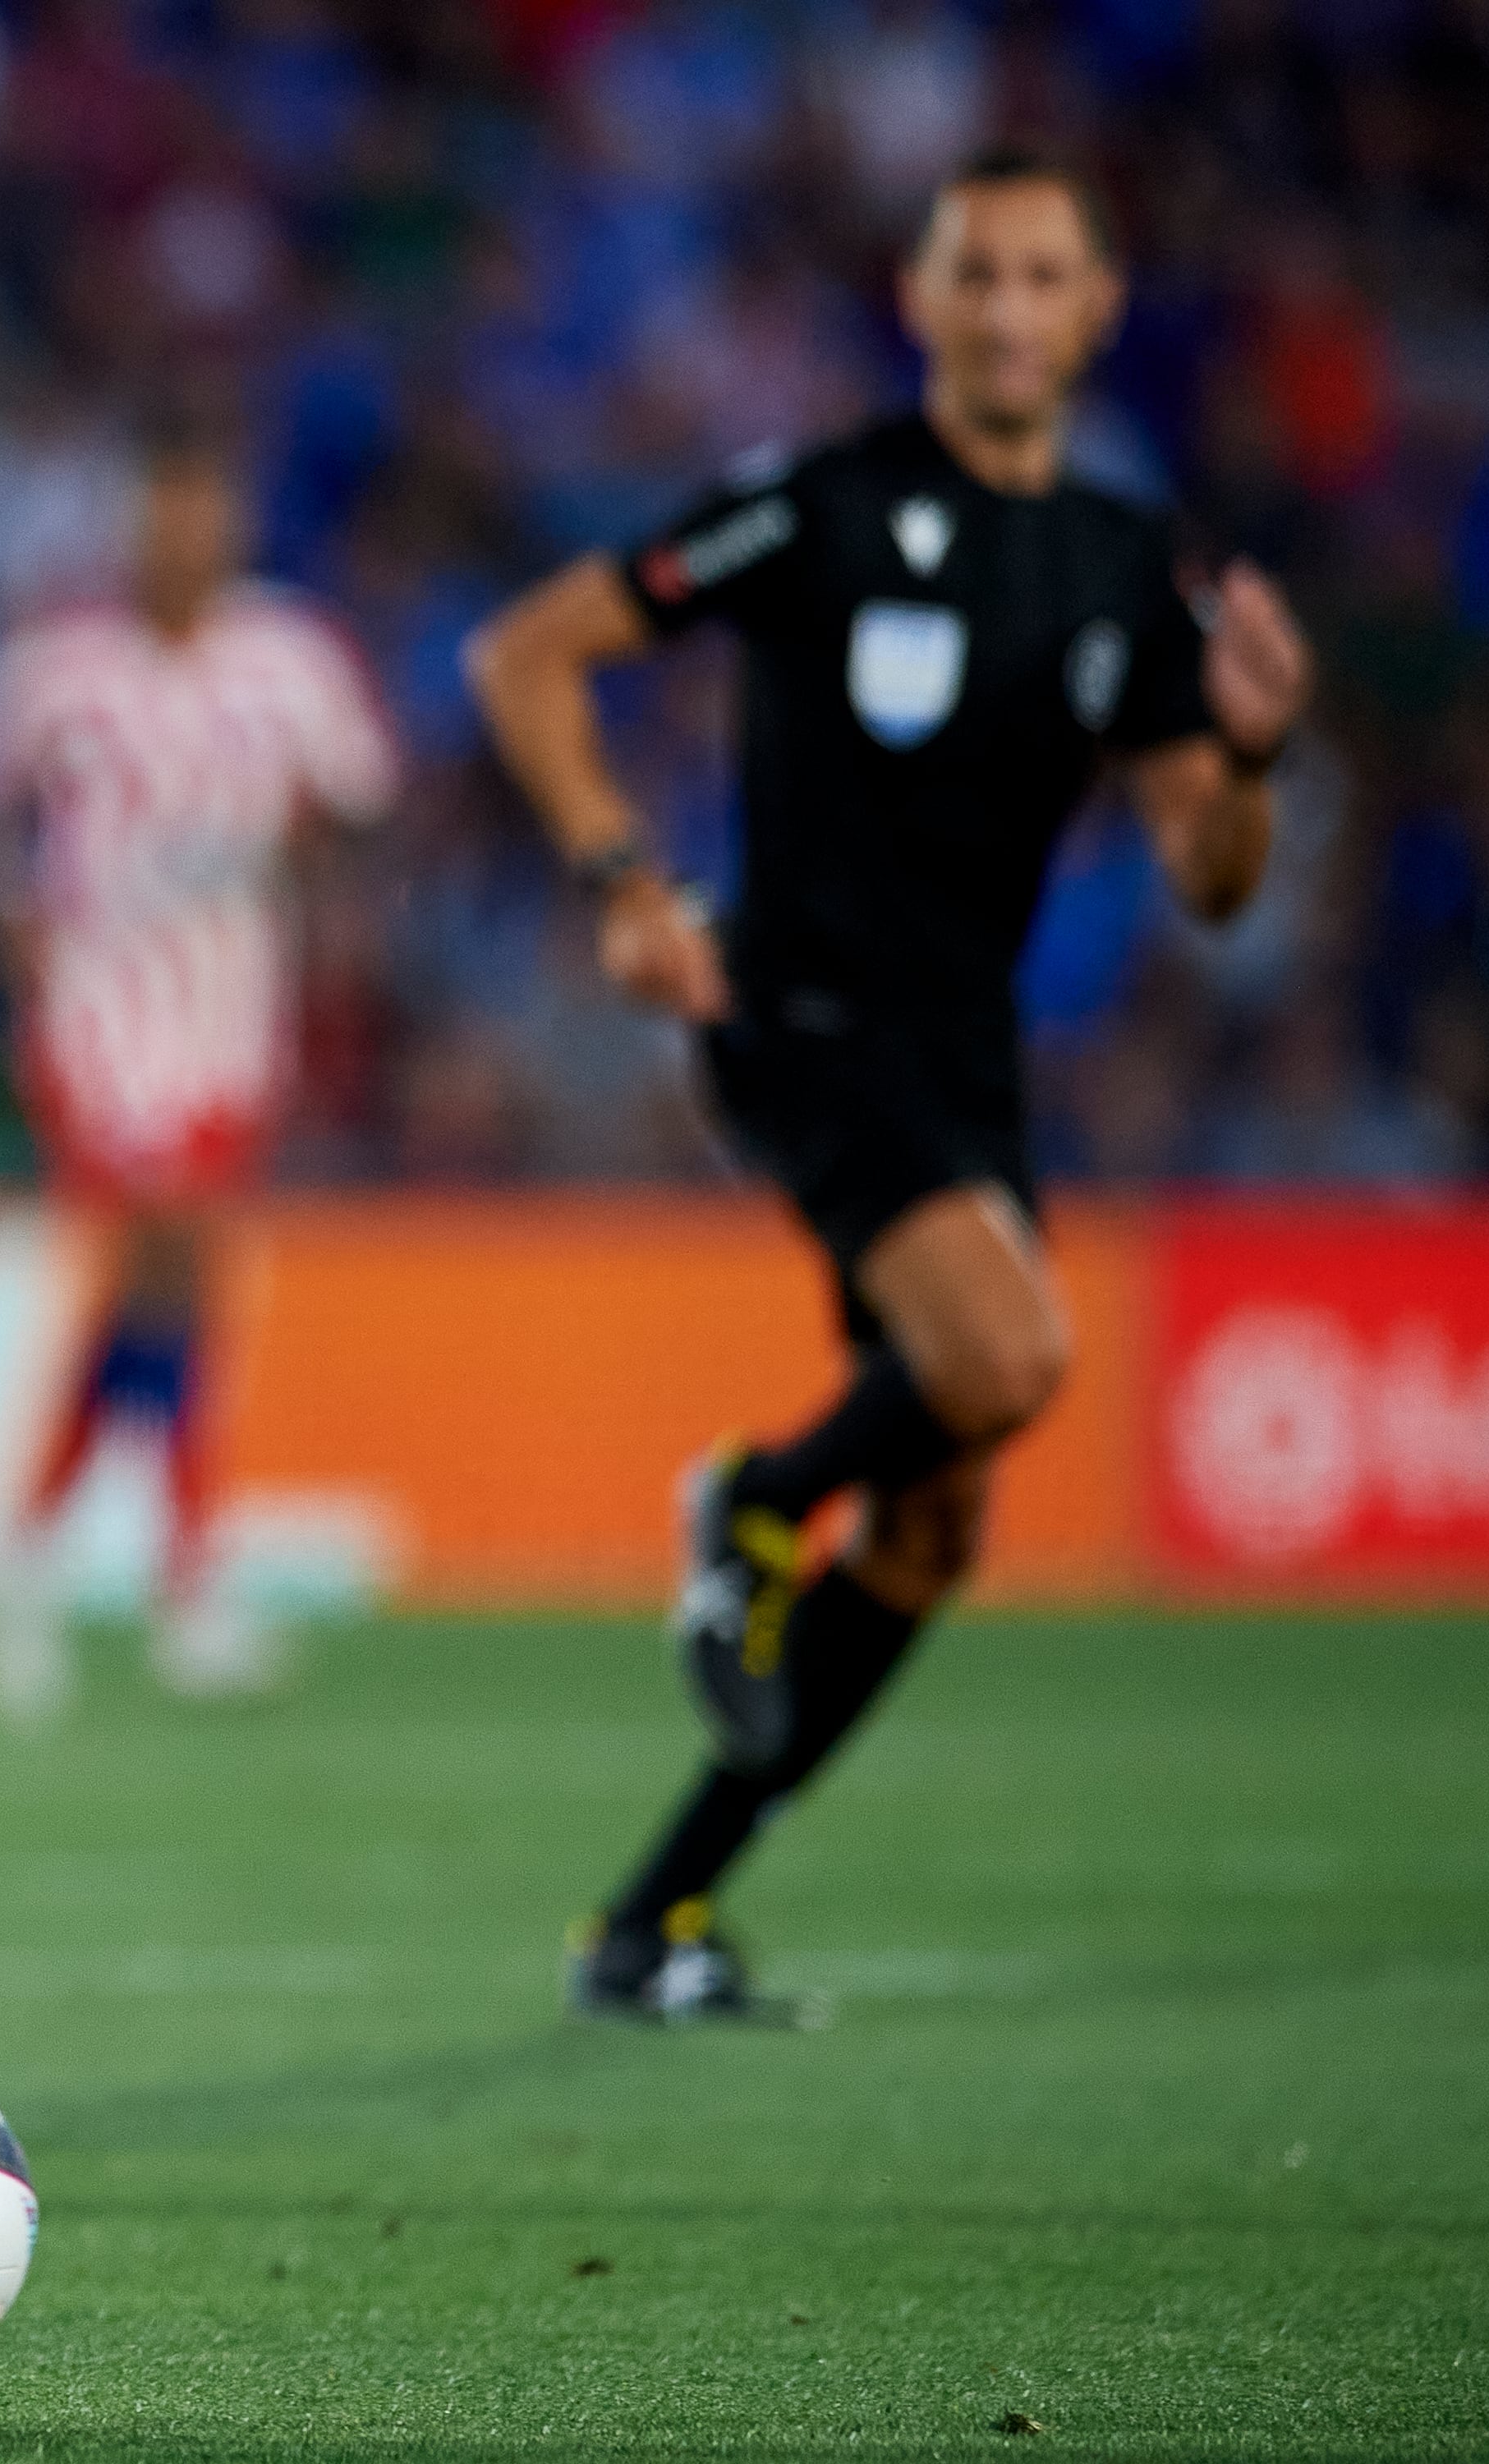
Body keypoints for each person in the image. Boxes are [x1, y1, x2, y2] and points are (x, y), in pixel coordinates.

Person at [463, 146, 1311, 2020]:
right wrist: (622, 881)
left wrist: (1250, 753)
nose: (1008, 309)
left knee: (933, 1527)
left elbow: (1216, 874)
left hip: (964, 1063)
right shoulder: (822, 509)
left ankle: (653, 1921)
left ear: (1097, 310)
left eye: (1044, 277)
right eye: (975, 275)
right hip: (800, 1019)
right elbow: (529, 654)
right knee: (1009, 1360)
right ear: (919, 304)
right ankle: (754, 1505)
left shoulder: (1117, 570)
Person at [0, 419, 398, 1727]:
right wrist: (17, 940)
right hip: (97, 1014)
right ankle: (181, 1583)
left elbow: (362, 809)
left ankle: (36, 1558)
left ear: (236, 523)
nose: (183, 538)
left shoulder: (292, 663)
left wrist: (311, 881)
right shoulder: (54, 671)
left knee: (175, 1291)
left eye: (205, 513)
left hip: (229, 1018)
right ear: (130, 524)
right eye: (162, 513)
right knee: (172, 1254)